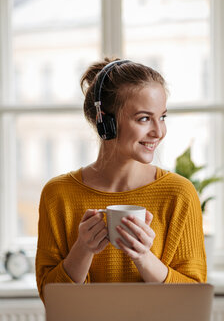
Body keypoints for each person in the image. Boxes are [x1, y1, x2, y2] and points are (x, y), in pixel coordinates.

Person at [36, 57, 207, 302]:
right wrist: (82, 250)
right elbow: (49, 298)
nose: (158, 132)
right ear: (104, 121)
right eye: (144, 118)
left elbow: (193, 299)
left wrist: (143, 257)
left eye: (162, 117)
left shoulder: (180, 194)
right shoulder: (57, 194)